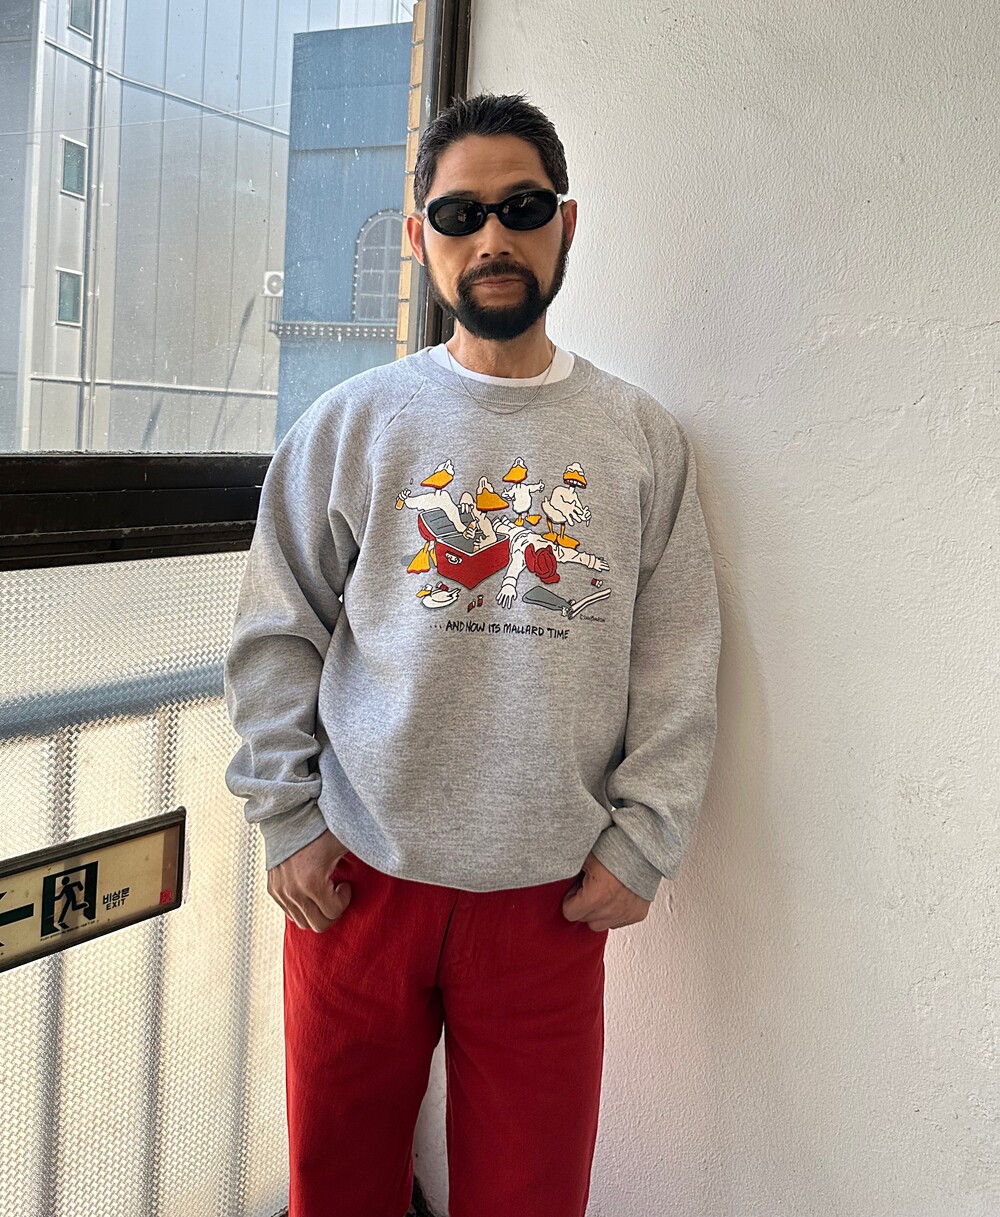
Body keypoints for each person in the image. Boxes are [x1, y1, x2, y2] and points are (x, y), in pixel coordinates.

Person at [224, 92, 721, 1217]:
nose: (492, 237)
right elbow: (276, 628)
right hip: (358, 879)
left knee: (531, 1194)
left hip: (549, 895)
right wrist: (286, 818)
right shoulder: (352, 422)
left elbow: (678, 651)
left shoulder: (641, 438)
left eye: (522, 207)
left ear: (566, 223)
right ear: (419, 238)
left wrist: (644, 839)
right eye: (459, 214)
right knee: (336, 1187)